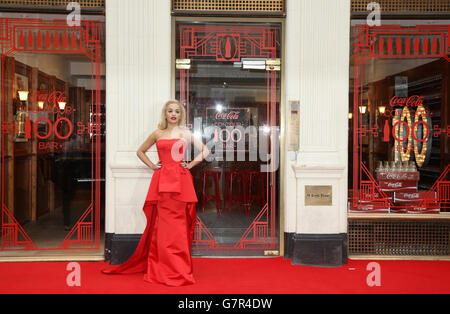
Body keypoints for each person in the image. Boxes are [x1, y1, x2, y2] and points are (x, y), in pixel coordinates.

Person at [102, 100, 209, 287]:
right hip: (162, 182)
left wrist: (189, 165)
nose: (173, 114)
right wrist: (153, 166)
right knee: (163, 226)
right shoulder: (157, 133)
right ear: (165, 114)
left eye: (177, 111)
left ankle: (179, 269)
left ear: (181, 114)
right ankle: (161, 267)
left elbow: (205, 150)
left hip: (180, 182)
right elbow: (140, 151)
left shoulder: (185, 133)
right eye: (170, 111)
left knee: (179, 227)